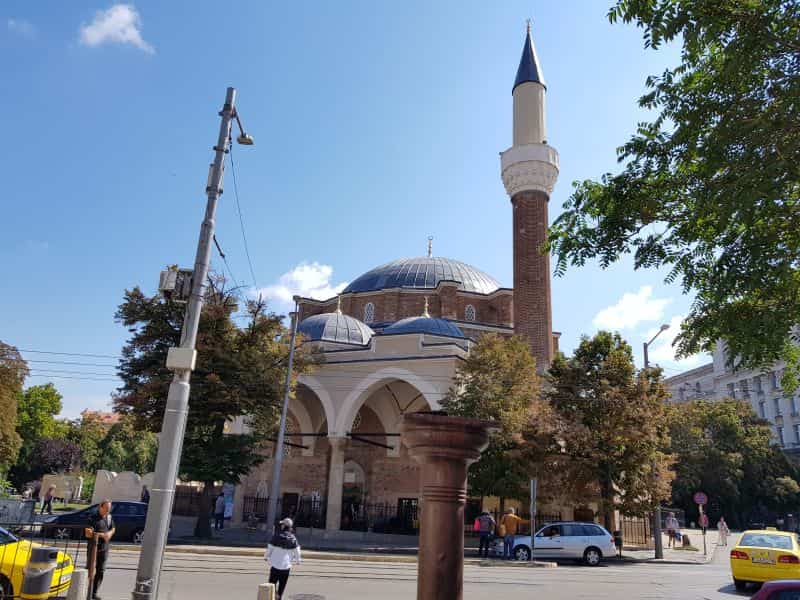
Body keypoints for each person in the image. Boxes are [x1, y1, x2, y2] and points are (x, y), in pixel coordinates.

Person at [265, 517, 301, 600]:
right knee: (282, 586)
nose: (281, 526)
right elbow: (297, 550)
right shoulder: (293, 538)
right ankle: (279, 597)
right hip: (286, 567)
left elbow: (270, 548)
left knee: (271, 584)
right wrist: (298, 560)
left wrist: (266, 557)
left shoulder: (276, 536)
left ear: (284, 526)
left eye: (282, 524)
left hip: (275, 565)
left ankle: (272, 597)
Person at [86, 499, 115, 600]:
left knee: (101, 571)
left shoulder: (109, 517)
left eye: (109, 509)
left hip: (104, 548)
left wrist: (110, 534)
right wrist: (103, 535)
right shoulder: (92, 517)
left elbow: (113, 528)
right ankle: (86, 592)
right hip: (93, 548)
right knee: (89, 570)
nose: (107, 511)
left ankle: (94, 593)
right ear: (100, 507)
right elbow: (88, 533)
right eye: (106, 509)